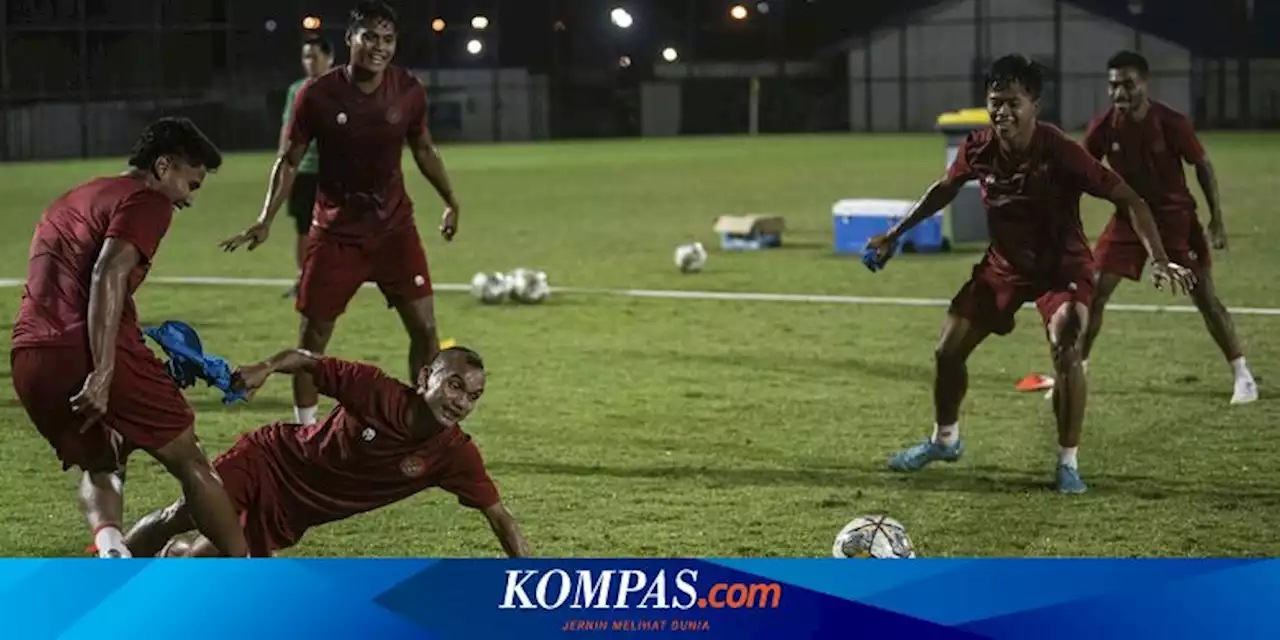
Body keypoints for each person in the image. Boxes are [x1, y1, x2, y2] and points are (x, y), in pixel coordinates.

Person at [867, 55, 1196, 494]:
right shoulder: (978, 147)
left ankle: (1068, 464)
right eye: (994, 101)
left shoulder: (1060, 151)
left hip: (1062, 268)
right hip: (1004, 266)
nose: (1002, 111)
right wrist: (894, 234)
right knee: (947, 351)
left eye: (1012, 102)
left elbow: (1130, 199)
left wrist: (1158, 257)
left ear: (1034, 106)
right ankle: (944, 441)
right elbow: (944, 189)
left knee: (1067, 345)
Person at [10, 117, 249, 557]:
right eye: (191, 184)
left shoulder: (75, 196)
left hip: (29, 356)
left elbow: (65, 279)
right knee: (189, 457)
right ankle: (246, 573)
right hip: (85, 349)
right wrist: (103, 372)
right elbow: (106, 273)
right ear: (163, 166)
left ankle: (111, 550)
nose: (189, 199)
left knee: (104, 457)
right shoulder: (147, 201)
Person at [220, 0, 460, 430]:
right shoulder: (318, 95)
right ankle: (305, 432)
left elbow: (424, 148)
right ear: (350, 39)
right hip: (335, 235)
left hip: (395, 231)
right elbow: (289, 159)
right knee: (313, 342)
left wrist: (450, 199)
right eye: (369, 36)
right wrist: (266, 217)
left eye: (387, 39)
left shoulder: (408, 89)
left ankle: (424, 427)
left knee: (425, 330)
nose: (379, 47)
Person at [123, 346, 531, 558]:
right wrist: (265, 368)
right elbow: (304, 360)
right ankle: (98, 574)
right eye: (455, 385)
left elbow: (500, 518)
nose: (461, 402)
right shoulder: (373, 389)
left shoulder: (455, 454)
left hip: (291, 512)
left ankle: (174, 556)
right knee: (180, 515)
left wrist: (534, 590)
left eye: (473, 396)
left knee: (204, 571)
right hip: (270, 460)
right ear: (426, 377)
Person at [1078, 50, 1257, 405]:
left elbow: (1201, 165)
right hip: (1129, 220)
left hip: (1176, 220)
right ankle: (1075, 369)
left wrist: (1216, 220)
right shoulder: (1102, 127)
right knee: (1095, 289)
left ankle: (1243, 375)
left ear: (1145, 83)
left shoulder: (1171, 122)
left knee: (1204, 296)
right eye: (1113, 86)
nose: (1119, 93)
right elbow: (1081, 171)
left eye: (1128, 84)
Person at [281, 35, 335, 299]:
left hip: (335, 172)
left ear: (329, 58)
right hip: (304, 171)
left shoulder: (340, 88)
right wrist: (283, 160)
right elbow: (287, 129)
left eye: (315, 56)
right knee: (304, 229)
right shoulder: (296, 90)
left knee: (338, 229)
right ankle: (304, 279)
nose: (310, 62)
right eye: (306, 57)